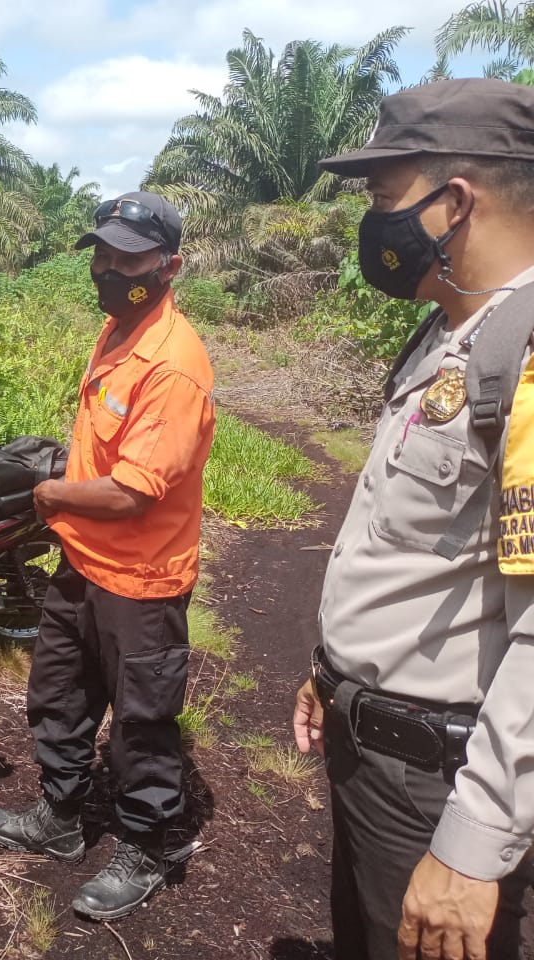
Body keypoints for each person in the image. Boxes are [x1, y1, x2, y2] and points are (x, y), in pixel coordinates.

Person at [292, 78, 534, 960]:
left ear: (454, 202)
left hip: (446, 783)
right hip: (376, 752)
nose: (373, 222)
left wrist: (473, 847)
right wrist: (335, 667)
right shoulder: (447, 332)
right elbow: (408, 545)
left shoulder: (525, 352)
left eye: (385, 197)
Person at [0, 191, 215, 922]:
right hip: (83, 566)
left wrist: (50, 496)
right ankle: (60, 816)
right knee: (60, 695)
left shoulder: (172, 364)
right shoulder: (119, 328)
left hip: (141, 580)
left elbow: (133, 495)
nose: (112, 269)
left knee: (143, 722)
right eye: (104, 255)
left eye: (131, 258)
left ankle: (148, 845)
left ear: (170, 265)